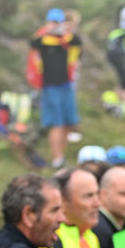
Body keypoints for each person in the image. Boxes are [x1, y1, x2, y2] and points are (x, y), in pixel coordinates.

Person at [30, 9, 81, 169]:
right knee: (56, 123)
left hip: (66, 86)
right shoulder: (43, 41)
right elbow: (34, 44)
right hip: (50, 88)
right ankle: (56, 159)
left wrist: (66, 32)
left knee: (68, 123)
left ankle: (61, 157)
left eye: (58, 23)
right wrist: (47, 31)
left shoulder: (66, 40)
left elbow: (77, 43)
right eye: (53, 22)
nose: (56, 26)